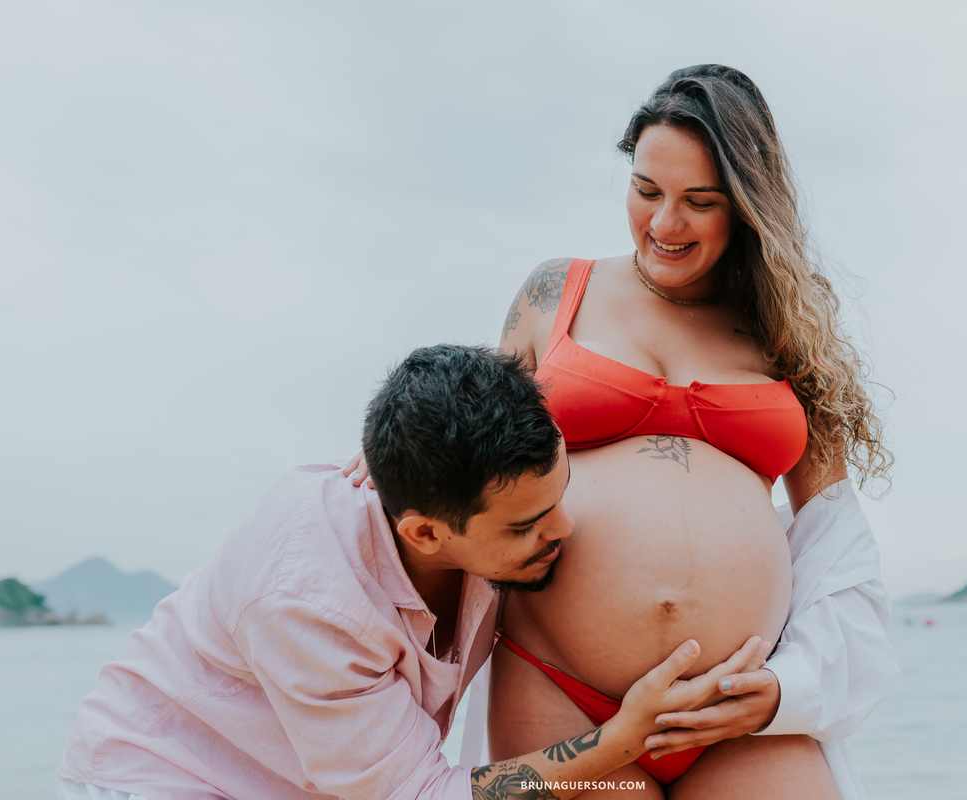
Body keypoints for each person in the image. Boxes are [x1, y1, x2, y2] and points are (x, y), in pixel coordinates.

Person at [345, 66, 899, 799]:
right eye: (646, 192)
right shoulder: (555, 292)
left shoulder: (786, 332)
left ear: (746, 204)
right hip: (561, 689)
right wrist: (402, 456)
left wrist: (784, 689)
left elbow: (837, 544)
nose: (664, 226)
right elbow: (472, 447)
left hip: (736, 705)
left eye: (699, 202)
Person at [57, 345, 770, 800]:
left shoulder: (450, 488)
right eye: (525, 527)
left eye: (560, 498)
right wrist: (618, 742)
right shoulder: (308, 603)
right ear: (425, 531)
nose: (564, 530)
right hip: (163, 778)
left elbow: (465, 389)